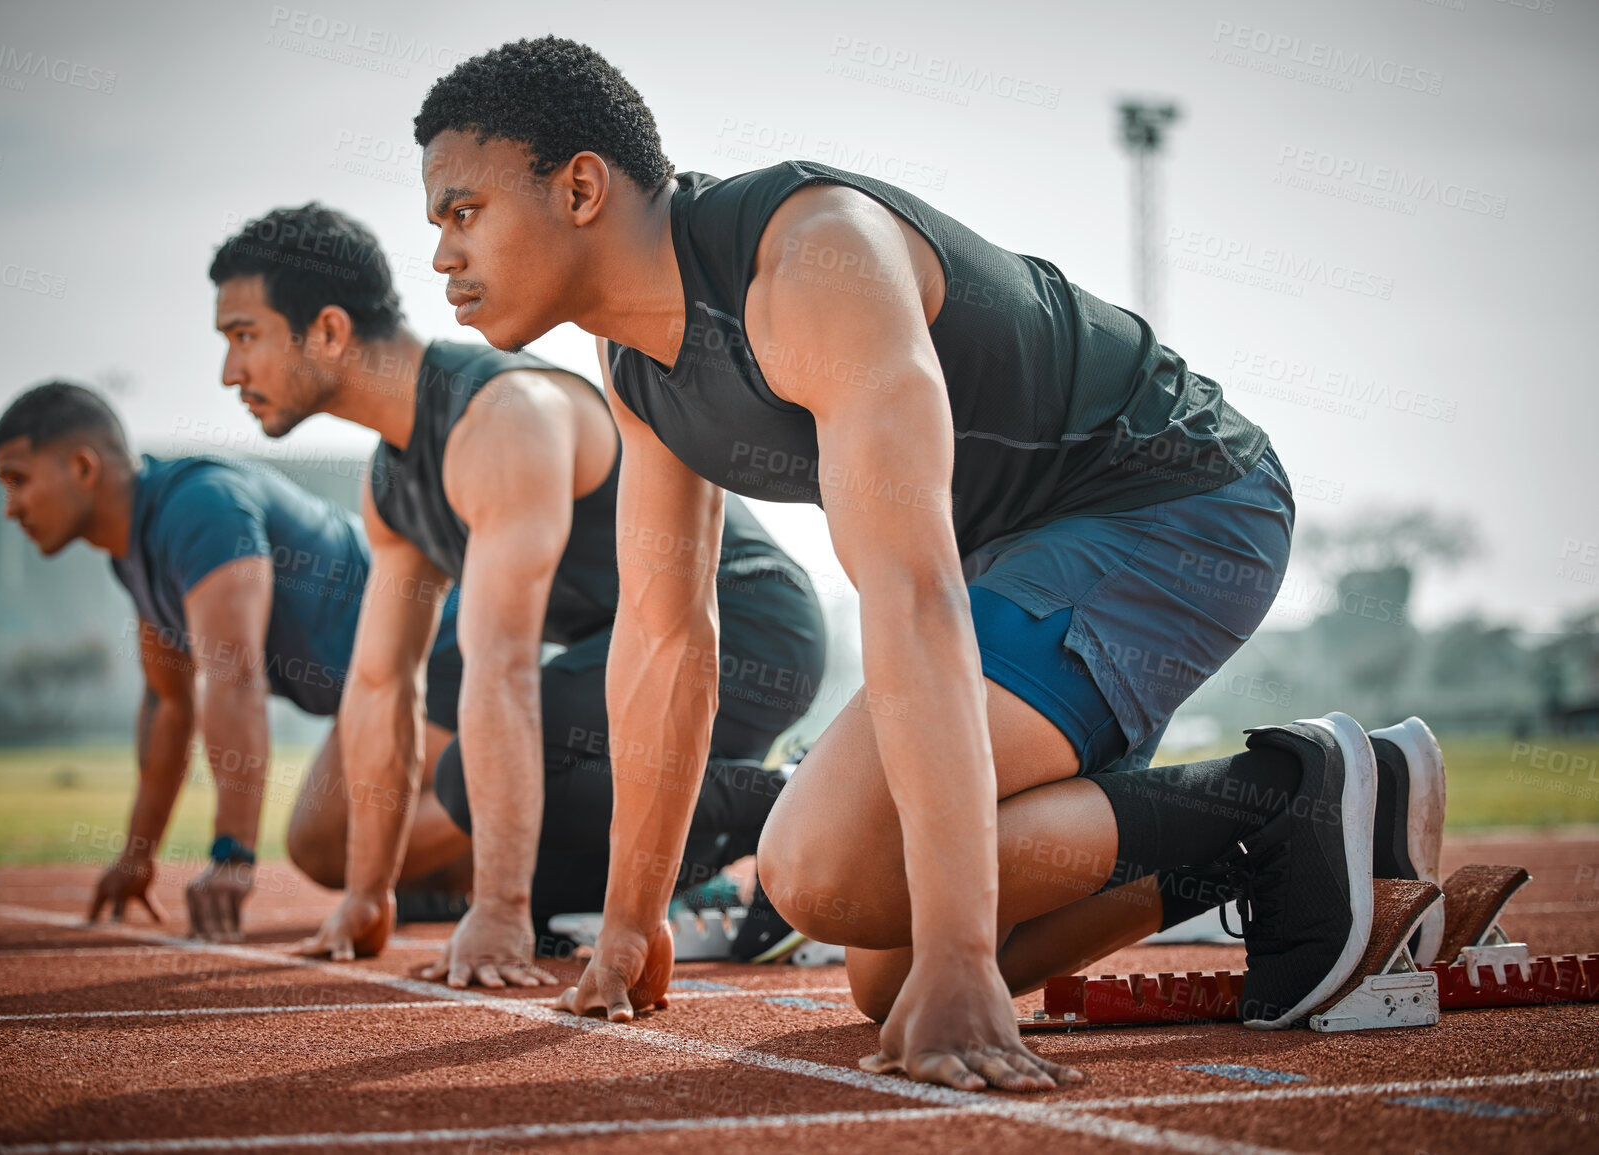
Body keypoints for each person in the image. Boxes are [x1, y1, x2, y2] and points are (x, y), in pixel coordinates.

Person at [409, 36, 1418, 1088]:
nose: (441, 255)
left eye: (462, 212)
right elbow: (667, 644)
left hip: (1175, 504)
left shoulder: (810, 261)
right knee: (885, 978)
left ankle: (1301, 787)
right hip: (1015, 562)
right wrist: (629, 923)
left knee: (823, 871)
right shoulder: (637, 370)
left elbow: (911, 592)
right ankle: (1253, 835)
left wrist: (965, 955)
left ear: (579, 188)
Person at [208, 203, 827, 980]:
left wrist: (492, 910)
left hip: (748, 622)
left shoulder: (505, 414)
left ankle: (787, 800)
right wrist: (368, 893)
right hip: (629, 650)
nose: (230, 373)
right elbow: (378, 686)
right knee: (541, 876)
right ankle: (696, 870)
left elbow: (500, 671)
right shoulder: (391, 480)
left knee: (470, 777)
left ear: (328, 331)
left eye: (242, 336)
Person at [0, 381, 467, 940]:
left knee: (338, 839)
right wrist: (136, 855)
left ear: (82, 467)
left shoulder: (199, 506)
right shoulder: (136, 555)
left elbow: (233, 676)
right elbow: (169, 707)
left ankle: (541, 793)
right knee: (321, 846)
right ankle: (523, 870)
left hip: (440, 639)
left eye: (18, 481)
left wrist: (232, 855)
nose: (11, 508)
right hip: (377, 676)